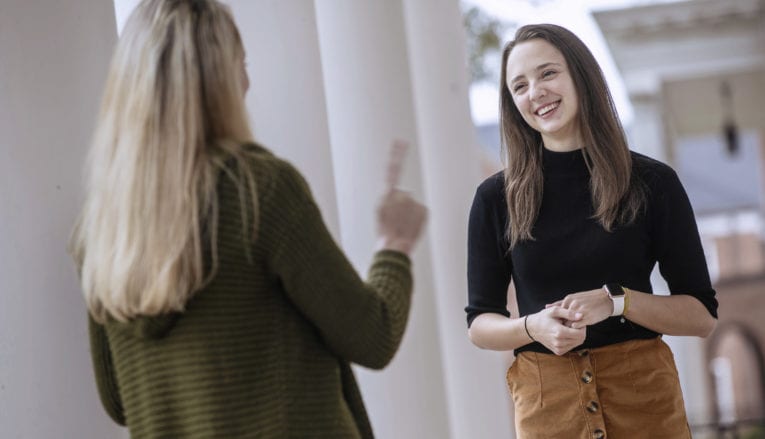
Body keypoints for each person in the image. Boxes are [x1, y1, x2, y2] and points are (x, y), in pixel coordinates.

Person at [69, 1, 427, 437]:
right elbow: (372, 337)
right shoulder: (259, 189)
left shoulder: (99, 229)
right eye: (241, 65)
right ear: (217, 80)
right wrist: (395, 244)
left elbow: (120, 401)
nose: (248, 83)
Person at [466, 23, 718, 438]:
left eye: (548, 73)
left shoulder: (652, 182)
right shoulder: (495, 198)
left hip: (645, 407)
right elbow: (480, 323)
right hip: (549, 411)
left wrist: (616, 302)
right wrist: (533, 326)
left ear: (581, 75)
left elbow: (701, 316)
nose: (536, 93)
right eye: (520, 86)